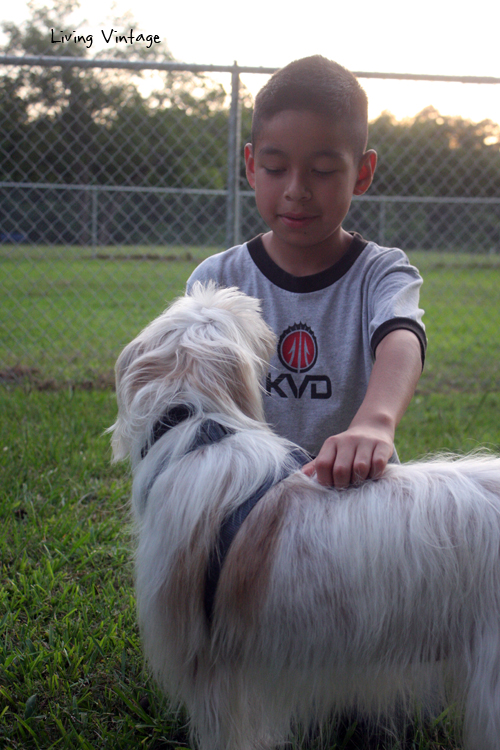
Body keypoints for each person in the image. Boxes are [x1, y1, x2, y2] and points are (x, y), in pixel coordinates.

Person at [187, 55, 426, 489]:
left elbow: (402, 337)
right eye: (276, 168)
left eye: (322, 170)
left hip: (352, 496)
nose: (296, 189)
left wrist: (373, 424)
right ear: (251, 166)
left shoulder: (381, 273)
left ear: (363, 173)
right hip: (248, 498)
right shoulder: (218, 278)